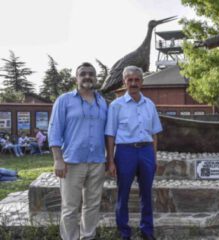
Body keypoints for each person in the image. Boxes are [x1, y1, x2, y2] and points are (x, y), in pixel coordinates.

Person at [48, 62, 108, 240]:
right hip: (71, 162)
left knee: (92, 205)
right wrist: (57, 159)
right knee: (70, 207)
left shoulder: (102, 102)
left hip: (97, 162)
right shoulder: (64, 100)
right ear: (76, 78)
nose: (87, 76)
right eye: (83, 74)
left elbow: (107, 133)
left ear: (96, 78)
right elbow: (54, 131)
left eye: (91, 74)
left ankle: (87, 237)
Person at [105, 66, 162, 240]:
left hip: (146, 151)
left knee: (147, 193)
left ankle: (147, 231)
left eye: (137, 79)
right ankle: (124, 232)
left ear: (142, 82)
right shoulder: (116, 105)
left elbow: (154, 134)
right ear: (124, 82)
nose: (134, 83)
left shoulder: (150, 104)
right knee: (123, 193)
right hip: (125, 152)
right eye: (130, 80)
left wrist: (154, 157)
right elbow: (110, 134)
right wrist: (111, 160)